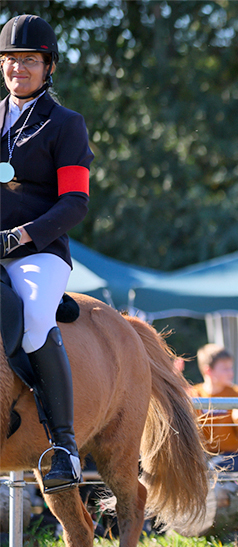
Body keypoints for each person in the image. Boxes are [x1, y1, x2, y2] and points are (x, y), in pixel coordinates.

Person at [0, 15, 94, 493]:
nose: (18, 68)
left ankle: (64, 445)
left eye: (29, 61)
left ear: (47, 66)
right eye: (11, 60)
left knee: (35, 314)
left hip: (39, 252)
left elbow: (75, 202)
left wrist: (19, 237)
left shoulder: (65, 125)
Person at [188, 344, 238, 473]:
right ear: (208, 371)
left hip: (232, 454)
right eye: (225, 369)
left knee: (216, 469)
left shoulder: (236, 393)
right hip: (201, 455)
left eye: (231, 368)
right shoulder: (194, 394)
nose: (231, 373)